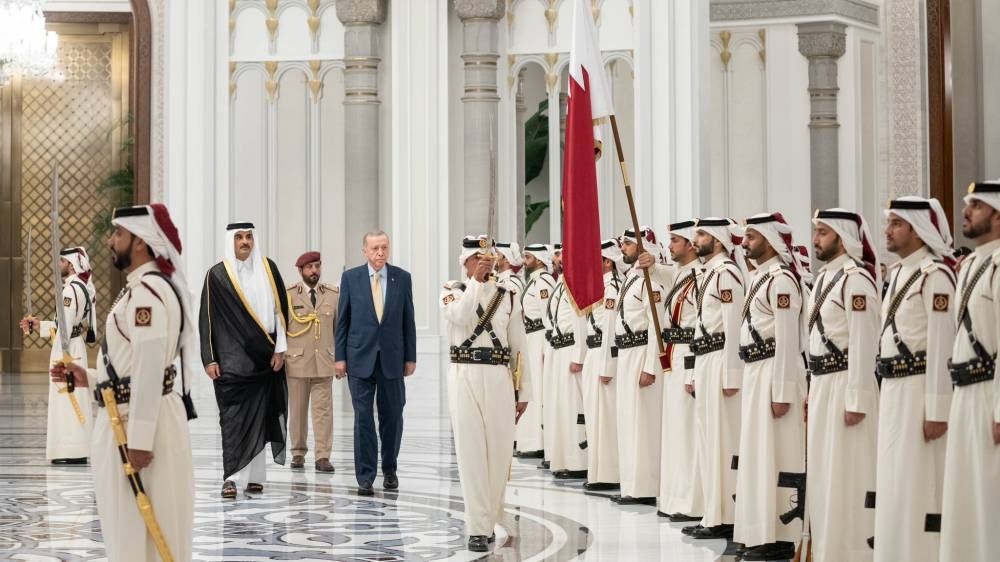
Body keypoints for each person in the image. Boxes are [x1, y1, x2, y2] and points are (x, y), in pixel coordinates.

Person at [52, 203, 195, 561]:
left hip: (137, 427)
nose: (110, 240)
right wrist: (91, 377)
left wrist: (141, 441)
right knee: (130, 526)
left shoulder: (147, 294)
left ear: (141, 242)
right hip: (131, 417)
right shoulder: (141, 289)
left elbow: (149, 371)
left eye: (118, 234)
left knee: (140, 528)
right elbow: (134, 366)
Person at [873, 198, 955, 562]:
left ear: (918, 229)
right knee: (895, 476)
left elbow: (942, 343)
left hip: (919, 389)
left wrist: (937, 408)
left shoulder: (934, 275)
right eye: (888, 223)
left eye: (896, 224)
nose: (887, 231)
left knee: (921, 479)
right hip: (893, 388)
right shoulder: (899, 273)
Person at [441, 236, 532, 552]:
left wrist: (524, 391)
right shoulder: (452, 292)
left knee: (499, 452)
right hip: (464, 374)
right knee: (471, 453)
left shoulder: (508, 296)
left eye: (488, 258)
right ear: (465, 262)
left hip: (498, 376)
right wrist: (476, 283)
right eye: (477, 259)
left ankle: (492, 515)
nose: (484, 263)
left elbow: (519, 345)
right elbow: (461, 317)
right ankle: (477, 527)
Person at [733, 213, 809, 561]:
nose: (745, 243)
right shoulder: (759, 278)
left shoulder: (782, 281)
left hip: (773, 372)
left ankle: (780, 535)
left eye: (751, 237)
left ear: (768, 239)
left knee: (775, 455)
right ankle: (756, 529)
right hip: (755, 369)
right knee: (757, 453)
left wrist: (781, 391)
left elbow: (787, 339)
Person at [807, 209, 881, 561]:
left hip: (845, 385)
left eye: (823, 232)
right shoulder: (825, 278)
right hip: (823, 384)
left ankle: (852, 549)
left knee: (848, 470)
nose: (816, 239)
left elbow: (864, 342)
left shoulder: (856, 280)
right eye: (816, 232)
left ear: (841, 236)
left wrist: (857, 399)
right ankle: (827, 546)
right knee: (825, 471)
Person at [200, 222, 289, 499]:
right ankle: (230, 478)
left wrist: (280, 350)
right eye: (239, 237)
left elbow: (279, 313)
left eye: (249, 236)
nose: (245, 242)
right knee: (233, 420)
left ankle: (255, 478)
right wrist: (209, 358)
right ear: (231, 241)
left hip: (264, 358)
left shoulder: (268, 269)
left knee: (260, 417)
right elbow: (207, 320)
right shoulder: (216, 275)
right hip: (230, 363)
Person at [939, 181, 1000, 562]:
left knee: (989, 492)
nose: (966, 212)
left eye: (976, 206)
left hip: (989, 395)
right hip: (963, 393)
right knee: (964, 492)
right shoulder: (972, 265)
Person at [335, 230, 416, 496]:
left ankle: (390, 469)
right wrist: (340, 358)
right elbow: (342, 321)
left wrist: (410, 357)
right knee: (363, 419)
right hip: (359, 358)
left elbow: (408, 320)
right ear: (365, 251)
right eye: (375, 248)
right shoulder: (351, 278)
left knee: (392, 417)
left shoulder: (402, 278)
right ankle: (365, 476)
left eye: (384, 247)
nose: (380, 253)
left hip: (392, 359)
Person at [682, 218, 746, 541]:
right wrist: (692, 371)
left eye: (703, 235)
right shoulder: (708, 273)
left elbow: (734, 327)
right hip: (705, 360)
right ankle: (712, 512)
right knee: (707, 439)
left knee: (724, 440)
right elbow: (698, 325)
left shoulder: (728, 274)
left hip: (722, 360)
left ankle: (728, 515)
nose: (697, 240)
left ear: (719, 241)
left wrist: (732, 373)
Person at [21, 246, 96, 464]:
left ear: (72, 264)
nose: (59, 264)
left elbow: (64, 327)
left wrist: (62, 353)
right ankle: (74, 448)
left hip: (67, 348)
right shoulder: (80, 288)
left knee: (66, 395)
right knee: (69, 395)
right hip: (73, 345)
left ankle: (70, 450)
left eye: (62, 261)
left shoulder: (69, 291)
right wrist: (38, 325)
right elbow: (60, 324)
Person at [609, 226, 667, 506]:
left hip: (642, 354)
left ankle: (646, 487)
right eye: (623, 244)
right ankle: (631, 485)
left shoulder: (649, 280)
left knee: (643, 424)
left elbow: (656, 327)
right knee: (628, 422)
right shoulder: (630, 278)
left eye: (629, 245)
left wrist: (649, 366)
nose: (623, 249)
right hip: (626, 354)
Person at [655, 221, 704, 522]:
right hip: (674, 354)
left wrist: (693, 370)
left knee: (687, 432)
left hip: (689, 354)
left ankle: (691, 502)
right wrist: (649, 262)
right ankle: (674, 498)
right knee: (674, 431)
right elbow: (663, 273)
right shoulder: (682, 273)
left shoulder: (699, 276)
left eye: (674, 241)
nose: (670, 246)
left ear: (688, 244)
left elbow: (703, 323)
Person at [284, 251, 338, 473]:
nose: (314, 271)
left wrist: (341, 358)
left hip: (324, 360)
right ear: (300, 270)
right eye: (309, 267)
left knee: (323, 411)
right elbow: (281, 328)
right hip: (297, 362)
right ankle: (298, 452)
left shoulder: (333, 294)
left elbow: (339, 329)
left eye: (317, 266)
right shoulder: (289, 295)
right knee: (297, 411)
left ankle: (323, 456)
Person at [580, 239, 624, 491]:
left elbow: (609, 328)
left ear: (607, 262)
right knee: (595, 416)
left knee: (605, 417)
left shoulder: (612, 288)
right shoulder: (600, 286)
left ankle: (609, 474)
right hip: (594, 353)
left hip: (604, 356)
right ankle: (598, 471)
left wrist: (606, 365)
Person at [546, 243, 589, 480]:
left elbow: (580, 318)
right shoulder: (561, 283)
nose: (556, 258)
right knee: (561, 408)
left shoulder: (575, 283)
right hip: (559, 349)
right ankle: (564, 458)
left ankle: (578, 461)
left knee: (574, 408)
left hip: (571, 349)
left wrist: (579, 355)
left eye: (561, 255)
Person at [513, 244, 555, 459]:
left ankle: (538, 442)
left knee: (537, 390)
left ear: (539, 260)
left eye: (528, 257)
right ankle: (528, 441)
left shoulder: (545, 281)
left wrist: (546, 347)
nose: (524, 261)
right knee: (530, 389)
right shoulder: (533, 282)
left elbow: (548, 316)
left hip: (540, 339)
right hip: (530, 338)